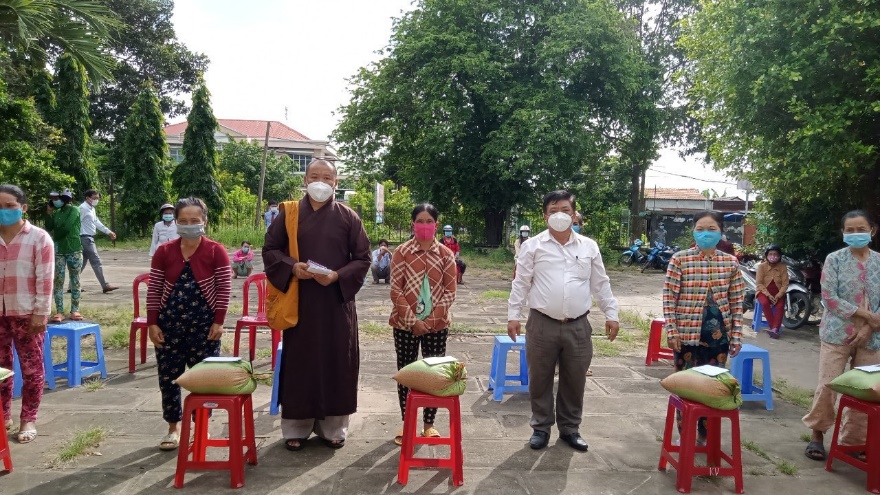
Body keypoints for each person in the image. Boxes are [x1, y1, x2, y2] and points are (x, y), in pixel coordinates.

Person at [263, 159, 371, 451]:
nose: (320, 182)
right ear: (304, 181)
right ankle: (295, 428)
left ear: (336, 183)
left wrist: (337, 275)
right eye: (314, 176)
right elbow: (270, 249)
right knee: (301, 363)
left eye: (327, 177)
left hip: (336, 303)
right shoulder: (289, 214)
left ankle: (334, 428)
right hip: (301, 302)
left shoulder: (349, 217)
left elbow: (363, 258)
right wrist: (292, 267)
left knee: (338, 362)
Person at [507, 190, 620, 452]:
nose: (560, 215)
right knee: (540, 378)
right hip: (541, 322)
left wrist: (611, 314)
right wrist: (514, 316)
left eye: (566, 210)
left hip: (578, 325)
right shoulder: (532, 246)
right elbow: (521, 283)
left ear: (575, 214)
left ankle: (570, 429)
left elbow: (600, 283)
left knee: (575, 378)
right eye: (553, 211)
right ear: (545, 216)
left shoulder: (589, 247)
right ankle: (541, 427)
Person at [146, 197, 231, 451]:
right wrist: (152, 323)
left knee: (204, 380)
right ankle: (173, 428)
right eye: (183, 221)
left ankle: (201, 428)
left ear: (204, 221)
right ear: (176, 223)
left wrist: (219, 321)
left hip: (204, 327)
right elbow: (155, 289)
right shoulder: (164, 252)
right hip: (168, 325)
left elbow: (224, 288)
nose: (189, 225)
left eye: (195, 220)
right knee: (169, 378)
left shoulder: (216, 251)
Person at [802, 210, 880, 462]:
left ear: (872, 231)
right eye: (850, 230)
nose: (855, 234)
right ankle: (817, 434)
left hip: (873, 336)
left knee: (866, 389)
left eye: (861, 229)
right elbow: (829, 298)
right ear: (843, 233)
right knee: (828, 383)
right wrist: (864, 315)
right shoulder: (834, 260)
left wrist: (870, 325)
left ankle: (853, 441)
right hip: (837, 332)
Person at [663, 210, 744, 445]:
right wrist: (672, 330)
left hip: (719, 337)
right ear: (693, 231)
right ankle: (685, 434)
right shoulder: (680, 259)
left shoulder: (730, 262)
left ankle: (706, 436)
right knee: (686, 386)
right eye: (700, 229)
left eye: (711, 229)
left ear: (721, 232)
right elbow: (669, 298)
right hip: (686, 335)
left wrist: (736, 336)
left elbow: (737, 302)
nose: (705, 234)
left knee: (713, 388)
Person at [389, 204, 458, 446]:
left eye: (430, 221)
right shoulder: (402, 252)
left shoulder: (446, 255)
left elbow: (450, 292)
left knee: (433, 376)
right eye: (421, 220)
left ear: (436, 225)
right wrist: (412, 321)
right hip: (405, 324)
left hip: (436, 326)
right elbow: (395, 289)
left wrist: (430, 321)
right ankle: (406, 423)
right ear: (413, 223)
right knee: (407, 375)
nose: (425, 225)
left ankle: (429, 425)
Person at [0, 184, 53, 444]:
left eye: (9, 206)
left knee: (32, 370)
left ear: (23, 208)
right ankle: (3, 417)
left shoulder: (39, 238)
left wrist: (40, 314)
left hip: (27, 314)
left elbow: (45, 280)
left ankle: (28, 418)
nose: (4, 211)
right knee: (0, 369)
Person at [45, 189, 83, 322]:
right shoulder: (56, 213)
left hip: (74, 249)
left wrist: (55, 236)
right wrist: (49, 213)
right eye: (53, 200)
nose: (55, 202)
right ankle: (59, 311)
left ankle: (75, 310)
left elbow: (66, 228)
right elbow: (48, 226)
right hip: (59, 251)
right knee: (58, 281)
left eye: (57, 199)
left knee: (75, 281)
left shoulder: (75, 210)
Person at [79, 189, 118, 293]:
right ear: (87, 198)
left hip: (88, 237)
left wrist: (108, 232)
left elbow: (96, 222)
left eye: (97, 198)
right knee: (96, 261)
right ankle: (105, 285)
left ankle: (72, 285)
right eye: (94, 198)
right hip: (85, 238)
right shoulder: (82, 208)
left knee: (81, 263)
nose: (96, 200)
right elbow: (76, 223)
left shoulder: (91, 208)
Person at [755, 244, 789, 338]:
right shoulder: (762, 266)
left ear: (779, 256)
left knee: (780, 306)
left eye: (775, 254)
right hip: (763, 292)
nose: (773, 256)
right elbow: (759, 283)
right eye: (771, 254)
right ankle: (774, 328)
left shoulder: (783, 267)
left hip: (778, 293)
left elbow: (785, 284)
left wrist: (778, 295)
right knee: (765, 303)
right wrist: (768, 295)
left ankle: (774, 329)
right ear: (767, 255)